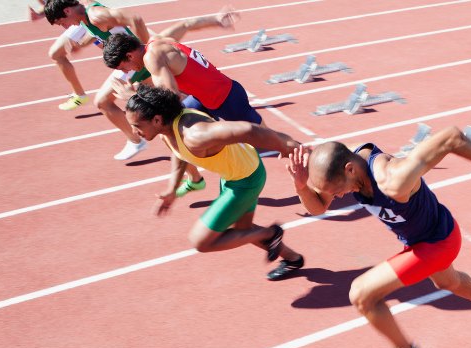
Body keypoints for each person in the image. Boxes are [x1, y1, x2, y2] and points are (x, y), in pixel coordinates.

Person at [285, 130, 471, 348]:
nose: (336, 197)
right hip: (420, 241)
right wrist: (301, 186)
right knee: (449, 283)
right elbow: (317, 207)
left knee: (361, 294)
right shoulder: (342, 167)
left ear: (350, 170)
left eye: (336, 191)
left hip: (439, 243)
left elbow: (452, 137)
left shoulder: (394, 178)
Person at [125, 85, 305, 280]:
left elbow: (248, 130)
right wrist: (172, 189)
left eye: (137, 126)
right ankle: (293, 259)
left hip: (245, 180)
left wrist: (290, 147)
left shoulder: (195, 135)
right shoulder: (167, 130)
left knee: (201, 241)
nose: (135, 132)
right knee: (243, 231)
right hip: (236, 173)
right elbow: (179, 154)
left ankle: (270, 233)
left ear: (157, 119)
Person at [44, 0, 237, 164]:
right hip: (129, 58)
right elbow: (104, 31)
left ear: (67, 11)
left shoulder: (95, 15)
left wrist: (146, 50)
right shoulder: (86, 16)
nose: (65, 27)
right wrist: (86, 42)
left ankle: (139, 141)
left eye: (62, 23)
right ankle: (192, 168)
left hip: (132, 60)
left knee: (109, 103)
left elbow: (135, 19)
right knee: (168, 108)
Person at [102, 21, 262, 179]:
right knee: (167, 130)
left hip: (226, 99)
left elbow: (170, 98)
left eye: (123, 67)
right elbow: (187, 24)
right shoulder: (157, 40)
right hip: (203, 98)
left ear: (129, 55)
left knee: (264, 138)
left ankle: (286, 150)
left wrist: (131, 97)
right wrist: (217, 20)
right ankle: (194, 178)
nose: (127, 71)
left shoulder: (151, 59)